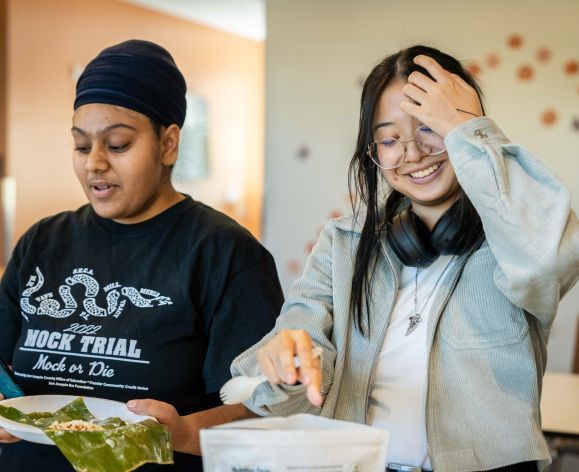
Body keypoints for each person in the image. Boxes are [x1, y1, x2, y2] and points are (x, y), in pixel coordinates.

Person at [129, 45, 579, 471]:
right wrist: (286, 361)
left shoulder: (513, 240)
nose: (413, 153)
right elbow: (294, 374)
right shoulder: (343, 242)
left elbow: (548, 260)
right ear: (373, 152)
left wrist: (468, 128)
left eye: (431, 127)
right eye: (389, 139)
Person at [0, 39, 284, 471]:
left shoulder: (226, 254)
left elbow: (266, 408)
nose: (94, 163)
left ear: (168, 144)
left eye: (116, 145)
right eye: (81, 146)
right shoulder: (42, 242)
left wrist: (185, 433)